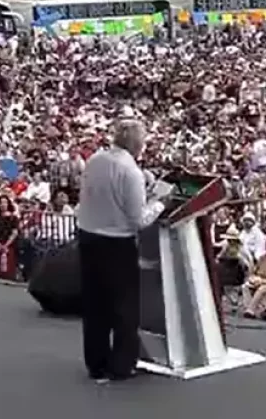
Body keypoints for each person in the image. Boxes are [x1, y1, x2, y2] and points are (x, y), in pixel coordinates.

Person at [76, 119, 164, 384]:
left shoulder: (94, 160)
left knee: (94, 306)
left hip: (88, 238)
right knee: (124, 308)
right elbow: (139, 219)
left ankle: (96, 364)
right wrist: (160, 204)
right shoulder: (130, 172)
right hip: (117, 244)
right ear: (138, 144)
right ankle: (122, 365)